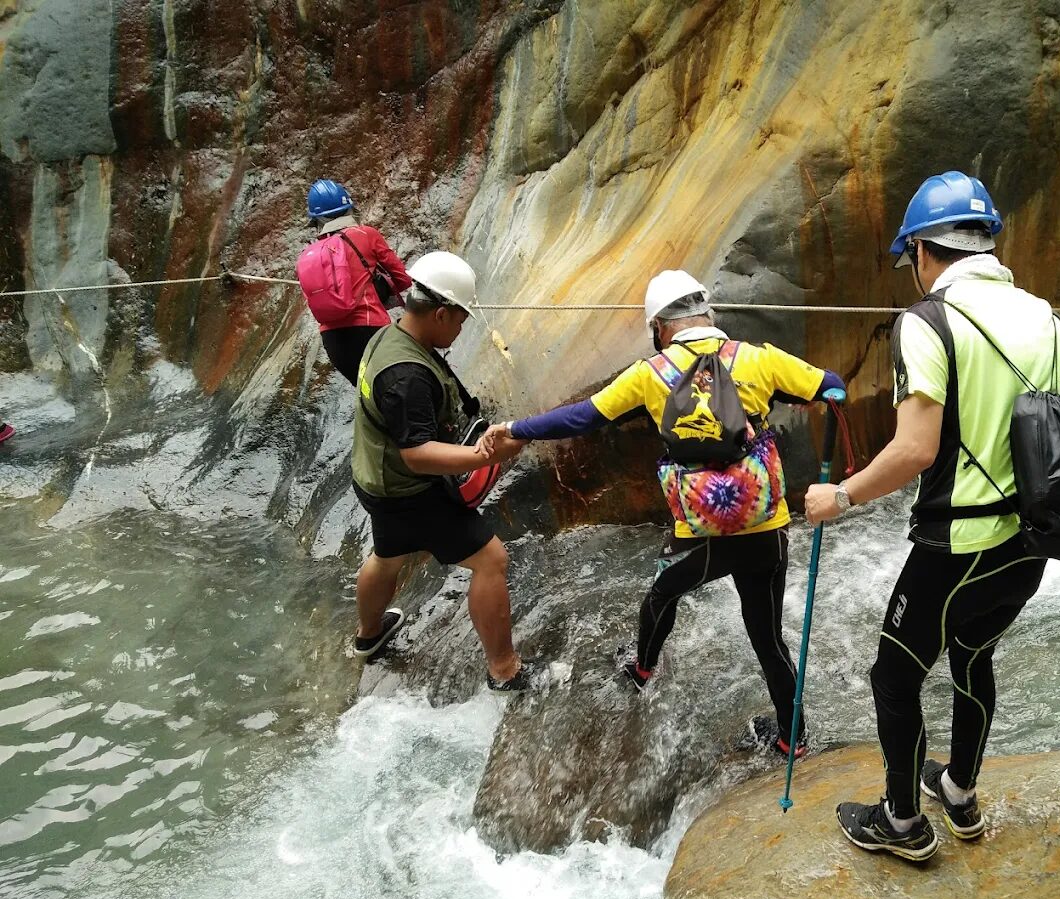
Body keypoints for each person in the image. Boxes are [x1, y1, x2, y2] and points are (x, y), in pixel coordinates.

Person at [804, 171, 1060, 861]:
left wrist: (839, 497)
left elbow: (914, 450)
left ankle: (901, 823)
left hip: (956, 542)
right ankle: (958, 791)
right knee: (973, 654)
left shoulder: (925, 323)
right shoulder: (1050, 320)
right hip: (1033, 538)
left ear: (926, 251)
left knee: (894, 676)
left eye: (912, 261)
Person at [480, 270, 846, 756]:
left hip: (697, 534)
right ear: (708, 315)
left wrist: (515, 427)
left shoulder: (649, 373)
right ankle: (791, 739)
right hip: (765, 528)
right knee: (768, 638)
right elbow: (832, 387)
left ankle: (643, 668)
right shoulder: (759, 359)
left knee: (660, 595)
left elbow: (583, 417)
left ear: (659, 327)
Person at [350, 250, 538, 692]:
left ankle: (369, 636)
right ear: (438, 312)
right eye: (459, 319)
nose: (460, 328)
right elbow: (417, 454)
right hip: (410, 489)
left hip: (376, 479)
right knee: (491, 560)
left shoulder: (388, 336)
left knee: (387, 554)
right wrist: (485, 456)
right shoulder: (407, 374)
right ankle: (505, 670)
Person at [297, 179, 412, 386]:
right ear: (349, 208)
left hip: (334, 343)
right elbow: (403, 279)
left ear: (316, 220)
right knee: (401, 389)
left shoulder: (309, 255)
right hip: (371, 331)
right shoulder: (365, 234)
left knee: (370, 399)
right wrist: (382, 288)